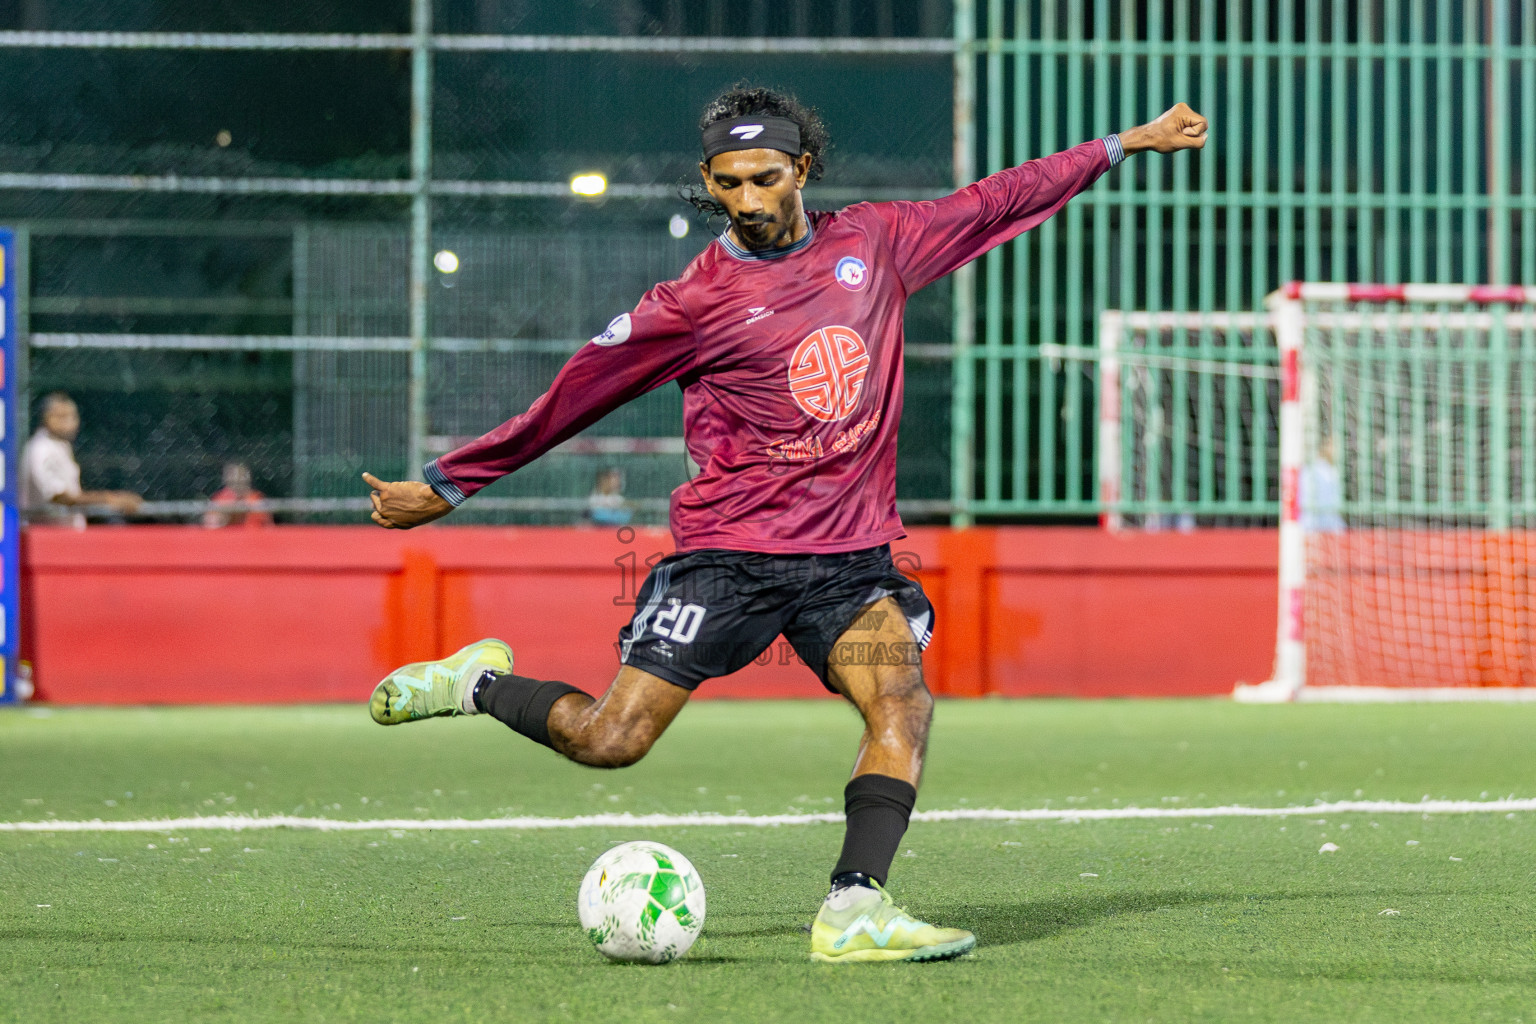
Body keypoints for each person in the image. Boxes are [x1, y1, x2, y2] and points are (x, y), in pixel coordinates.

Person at [363, 86, 1208, 963]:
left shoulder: (876, 243)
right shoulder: (692, 302)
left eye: (766, 178)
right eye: (728, 184)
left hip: (848, 569)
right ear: (709, 181)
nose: (749, 200)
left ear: (802, 169)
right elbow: (572, 396)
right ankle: (475, 684)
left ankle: (854, 907)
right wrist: (448, 484)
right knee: (610, 741)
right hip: (729, 559)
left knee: (902, 703)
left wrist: (1126, 144)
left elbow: (997, 199)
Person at [20, 391, 142, 527]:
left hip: (64, 535)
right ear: (46, 418)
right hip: (45, 536)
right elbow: (59, 496)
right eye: (61, 416)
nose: (69, 422)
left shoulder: (61, 446)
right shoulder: (40, 448)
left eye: (73, 416)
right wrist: (110, 499)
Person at [202, 461, 274, 528]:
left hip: (252, 537)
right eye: (233, 475)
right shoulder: (220, 498)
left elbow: (268, 526)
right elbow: (210, 526)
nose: (237, 479)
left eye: (241, 475)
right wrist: (224, 518)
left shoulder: (256, 498)